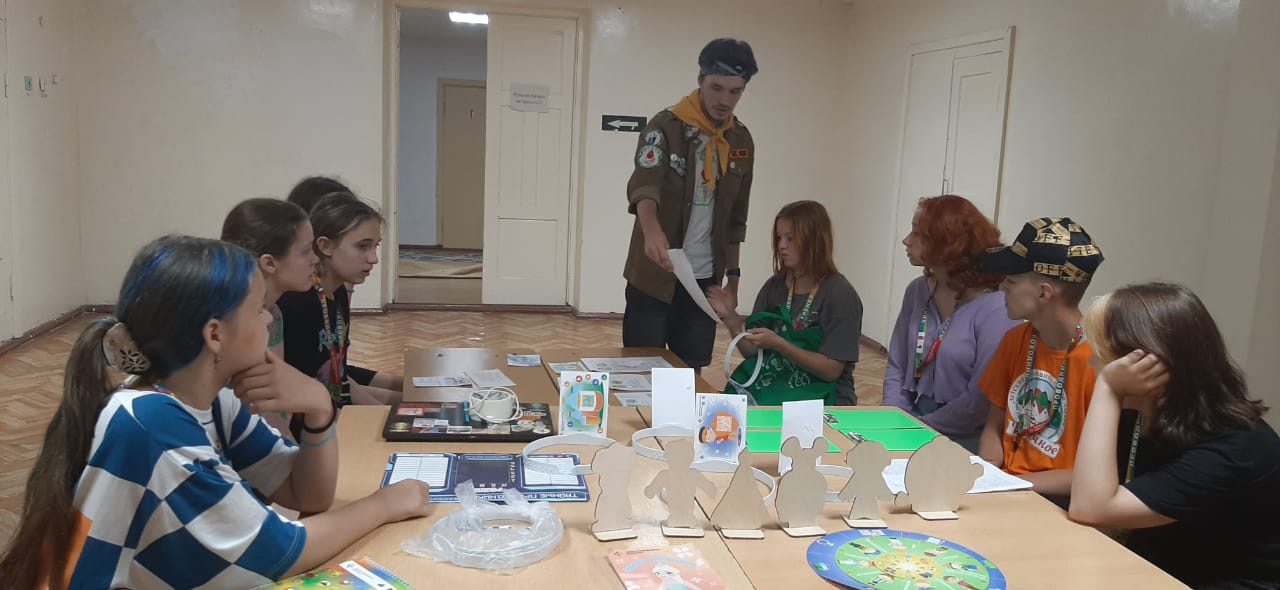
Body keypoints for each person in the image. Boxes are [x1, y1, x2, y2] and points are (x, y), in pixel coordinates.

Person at [0, 236, 432, 589]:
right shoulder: (152, 425)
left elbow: (306, 496)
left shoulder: (210, 401)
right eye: (258, 309)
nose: (269, 321)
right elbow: (282, 552)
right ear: (215, 335)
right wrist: (383, 504)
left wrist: (319, 408)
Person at [1070, 282, 1280, 589]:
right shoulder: (1140, 414)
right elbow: (1094, 497)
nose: (1091, 362)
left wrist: (1108, 388)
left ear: (1146, 363)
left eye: (1100, 353)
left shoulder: (1236, 447)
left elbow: (1091, 508)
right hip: (1156, 569)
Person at [623, 38, 758, 372]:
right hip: (654, 275)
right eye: (717, 88)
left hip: (704, 281)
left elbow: (736, 219)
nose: (725, 100)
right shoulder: (664, 127)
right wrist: (651, 231)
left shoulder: (740, 140)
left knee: (691, 372)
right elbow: (645, 185)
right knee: (642, 370)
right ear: (700, 80)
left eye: (735, 91)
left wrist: (733, 280)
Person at [977, 217, 1104, 498]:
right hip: (1005, 486)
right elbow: (994, 425)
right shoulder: (1016, 340)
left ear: (1044, 293)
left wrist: (1011, 486)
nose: (1002, 288)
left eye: (1011, 281)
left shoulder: (1098, 361)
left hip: (1059, 499)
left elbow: (1093, 473)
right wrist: (988, 471)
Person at [883, 195, 1019, 451]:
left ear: (947, 244)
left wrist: (918, 429)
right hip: (912, 421)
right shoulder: (917, 291)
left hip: (966, 436)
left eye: (917, 234)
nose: (906, 241)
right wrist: (893, 420)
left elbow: (979, 400)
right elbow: (896, 366)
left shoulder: (996, 306)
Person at [708, 201, 862, 405]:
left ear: (814, 241)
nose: (781, 245)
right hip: (776, 389)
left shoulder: (840, 294)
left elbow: (831, 370)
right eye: (779, 238)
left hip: (824, 398)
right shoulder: (774, 286)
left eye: (790, 238)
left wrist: (779, 344)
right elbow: (753, 354)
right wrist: (731, 320)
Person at [278, 192, 403, 406]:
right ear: (325, 246)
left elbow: (338, 374)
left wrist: (408, 395)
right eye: (362, 246)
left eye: (375, 246)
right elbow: (308, 388)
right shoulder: (298, 304)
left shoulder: (338, 293)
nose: (373, 258)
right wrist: (383, 411)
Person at [221, 197, 320, 438]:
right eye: (306, 251)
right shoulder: (238, 328)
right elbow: (254, 416)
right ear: (269, 263)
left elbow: (277, 417)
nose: (315, 259)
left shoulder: (274, 313)